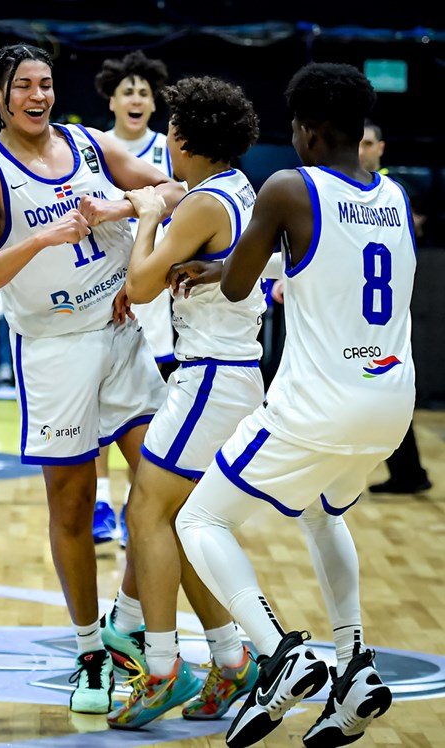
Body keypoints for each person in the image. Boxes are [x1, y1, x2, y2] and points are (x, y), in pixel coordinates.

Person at [174, 62, 409, 747]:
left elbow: (243, 286)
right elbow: (326, 256)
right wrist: (245, 259)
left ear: (307, 130)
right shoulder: (392, 197)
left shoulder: (287, 186)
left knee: (201, 520)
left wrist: (228, 264)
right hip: (390, 403)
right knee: (322, 512)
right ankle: (355, 663)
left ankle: (282, 653)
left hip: (319, 404)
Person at [0, 43, 184, 714]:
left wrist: (124, 211)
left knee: (161, 489)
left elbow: (172, 190)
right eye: (24, 85)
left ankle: (129, 620)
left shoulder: (89, 144)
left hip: (121, 333)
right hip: (53, 349)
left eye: (46, 83)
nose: (38, 95)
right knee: (74, 505)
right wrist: (35, 242)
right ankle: (87, 650)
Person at [93, 76, 263, 728]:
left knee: (146, 512)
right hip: (236, 371)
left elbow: (140, 286)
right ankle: (229, 658)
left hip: (210, 377)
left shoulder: (199, 205)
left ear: (187, 137)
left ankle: (161, 669)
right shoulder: (242, 188)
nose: (165, 140)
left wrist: (147, 218)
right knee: (183, 526)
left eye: (170, 129)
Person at [91, 51, 176, 547]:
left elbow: (184, 197)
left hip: (154, 285)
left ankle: (136, 500)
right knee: (102, 401)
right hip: (103, 283)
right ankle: (101, 499)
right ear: (112, 99)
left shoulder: (168, 149)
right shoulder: (94, 149)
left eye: (144, 91)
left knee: (151, 407)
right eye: (128, 91)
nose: (137, 99)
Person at [359, 120, 431, 495]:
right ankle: (408, 471)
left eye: (368, 143)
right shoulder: (351, 188)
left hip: (389, 307)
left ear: (381, 147)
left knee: (384, 386)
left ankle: (410, 472)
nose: (362, 150)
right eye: (358, 143)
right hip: (367, 307)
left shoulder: (393, 190)